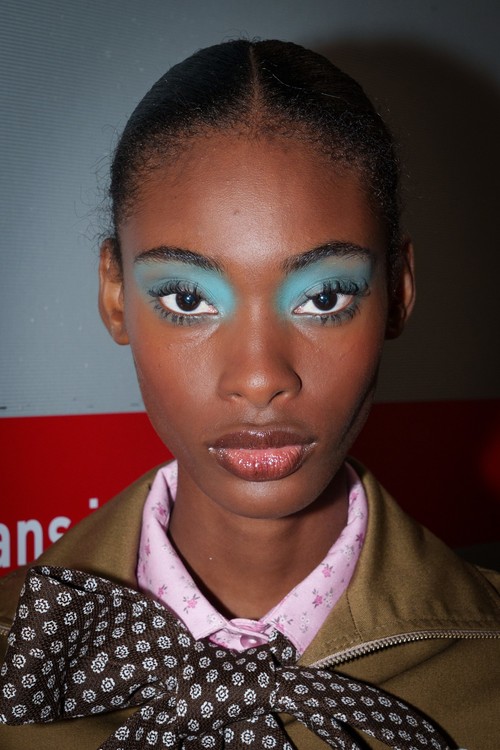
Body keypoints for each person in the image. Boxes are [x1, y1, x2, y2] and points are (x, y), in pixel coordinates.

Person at [0, 39, 499, 750]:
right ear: (115, 294)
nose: (260, 376)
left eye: (324, 297)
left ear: (398, 291)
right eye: (187, 298)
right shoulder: (17, 651)